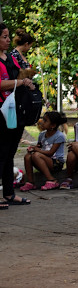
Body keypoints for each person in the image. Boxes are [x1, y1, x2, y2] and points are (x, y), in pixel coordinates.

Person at [0, 23, 36, 207]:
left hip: (15, 110)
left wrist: (26, 80)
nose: (8, 40)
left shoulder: (9, 57)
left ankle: (8, 193)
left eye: (7, 36)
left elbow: (19, 76)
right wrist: (20, 82)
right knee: (2, 152)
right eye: (4, 37)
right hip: (1, 110)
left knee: (10, 152)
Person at [21, 111, 67, 191]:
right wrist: (33, 149)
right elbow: (39, 147)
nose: (42, 122)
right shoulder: (42, 134)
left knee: (36, 155)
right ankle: (30, 182)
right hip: (43, 159)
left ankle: (52, 180)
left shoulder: (59, 136)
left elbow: (50, 153)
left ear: (53, 125)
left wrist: (37, 150)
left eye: (45, 121)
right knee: (27, 156)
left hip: (56, 163)